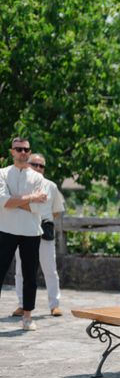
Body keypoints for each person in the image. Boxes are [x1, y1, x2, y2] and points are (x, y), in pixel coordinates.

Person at [0, 138, 49, 331]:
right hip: (5, 229)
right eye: (18, 149)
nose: (22, 152)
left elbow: (39, 207)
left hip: (30, 232)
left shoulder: (38, 178)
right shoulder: (2, 174)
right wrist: (30, 198)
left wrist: (14, 201)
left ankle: (27, 316)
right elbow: (2, 200)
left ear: (29, 152)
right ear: (12, 151)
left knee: (30, 275)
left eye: (26, 149)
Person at [12, 153, 65, 317]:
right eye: (35, 164)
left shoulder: (51, 186)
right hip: (24, 230)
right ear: (27, 165)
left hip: (43, 230)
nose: (38, 168)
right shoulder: (19, 186)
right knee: (21, 270)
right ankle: (22, 304)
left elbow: (57, 210)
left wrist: (44, 220)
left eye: (41, 165)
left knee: (50, 269)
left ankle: (54, 305)